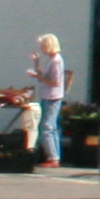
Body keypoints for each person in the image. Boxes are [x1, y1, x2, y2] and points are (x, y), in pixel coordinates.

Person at [24, 33, 70, 168]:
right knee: (52, 127)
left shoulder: (56, 61)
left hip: (52, 97)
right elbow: (43, 76)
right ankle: (54, 156)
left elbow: (55, 82)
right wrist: (36, 64)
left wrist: (38, 76)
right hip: (48, 96)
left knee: (47, 127)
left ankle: (53, 157)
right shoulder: (53, 59)